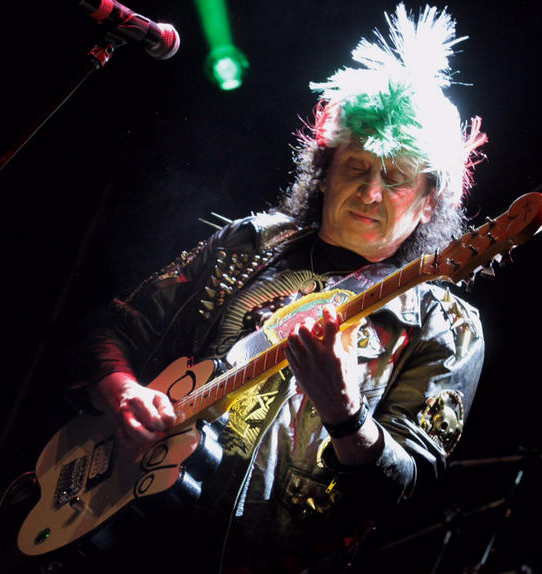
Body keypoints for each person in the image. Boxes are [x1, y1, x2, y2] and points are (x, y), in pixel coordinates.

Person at [65, 4, 488, 573]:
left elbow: (403, 489)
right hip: (119, 536)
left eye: (396, 179)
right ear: (325, 170)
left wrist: (346, 414)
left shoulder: (445, 326)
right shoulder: (250, 241)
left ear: (430, 201)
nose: (370, 192)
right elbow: (114, 329)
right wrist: (121, 392)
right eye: (357, 167)